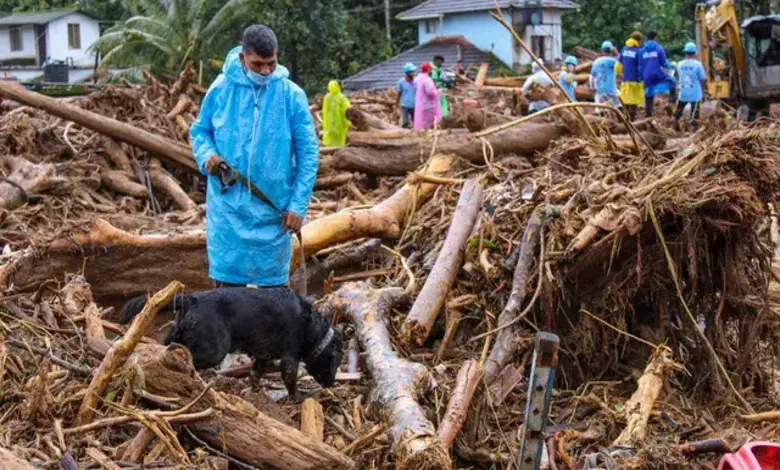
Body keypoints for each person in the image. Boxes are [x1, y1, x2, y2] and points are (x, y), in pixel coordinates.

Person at [190, 25, 319, 288]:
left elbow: (308, 154)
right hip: (228, 212)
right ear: (242, 58)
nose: (265, 71)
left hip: (274, 214)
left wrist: (298, 205)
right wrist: (207, 154)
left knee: (274, 303)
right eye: (257, 64)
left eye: (271, 63)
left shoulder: (291, 95)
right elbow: (200, 130)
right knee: (227, 302)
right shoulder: (221, 89)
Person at [674, 42, 707, 131]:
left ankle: (673, 128)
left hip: (683, 93)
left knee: (677, 113)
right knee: (694, 117)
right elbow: (703, 79)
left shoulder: (679, 64)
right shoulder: (698, 65)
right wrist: (703, 92)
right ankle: (694, 133)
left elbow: (676, 77)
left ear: (685, 52)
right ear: (695, 53)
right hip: (695, 95)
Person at [640, 31, 672, 117]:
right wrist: (672, 66)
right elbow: (664, 63)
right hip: (657, 74)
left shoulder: (642, 50)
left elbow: (640, 65)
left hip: (646, 75)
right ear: (655, 38)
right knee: (672, 81)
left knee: (649, 94)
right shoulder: (659, 48)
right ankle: (672, 102)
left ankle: (648, 115)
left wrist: (641, 77)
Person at [618, 32, 644, 120]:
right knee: (634, 101)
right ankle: (631, 119)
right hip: (635, 80)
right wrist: (642, 78)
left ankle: (624, 118)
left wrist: (619, 73)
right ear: (639, 40)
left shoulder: (624, 49)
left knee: (625, 99)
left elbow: (618, 64)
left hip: (625, 79)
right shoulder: (639, 51)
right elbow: (640, 67)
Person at [590, 41, 622, 111]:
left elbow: (592, 77)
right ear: (611, 51)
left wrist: (592, 88)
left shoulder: (596, 62)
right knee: (619, 105)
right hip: (611, 90)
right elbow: (621, 63)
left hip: (600, 91)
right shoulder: (613, 61)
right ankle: (622, 120)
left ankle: (601, 117)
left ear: (602, 51)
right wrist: (616, 53)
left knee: (600, 108)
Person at [413, 62, 442, 129]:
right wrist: (438, 91)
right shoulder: (427, 80)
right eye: (431, 69)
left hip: (420, 104)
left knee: (421, 121)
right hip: (428, 105)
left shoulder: (417, 79)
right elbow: (430, 92)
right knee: (428, 123)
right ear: (428, 69)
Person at [322, 80, 350, 146]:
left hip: (329, 122)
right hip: (340, 122)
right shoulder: (342, 97)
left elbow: (325, 111)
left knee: (330, 140)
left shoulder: (327, 97)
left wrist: (325, 122)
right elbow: (347, 110)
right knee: (340, 140)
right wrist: (348, 122)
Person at [396, 63, 417, 129]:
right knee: (405, 122)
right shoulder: (401, 82)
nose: (413, 73)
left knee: (415, 121)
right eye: (412, 72)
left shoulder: (416, 81)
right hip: (405, 105)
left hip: (414, 105)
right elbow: (399, 93)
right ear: (407, 73)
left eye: (414, 71)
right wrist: (396, 103)